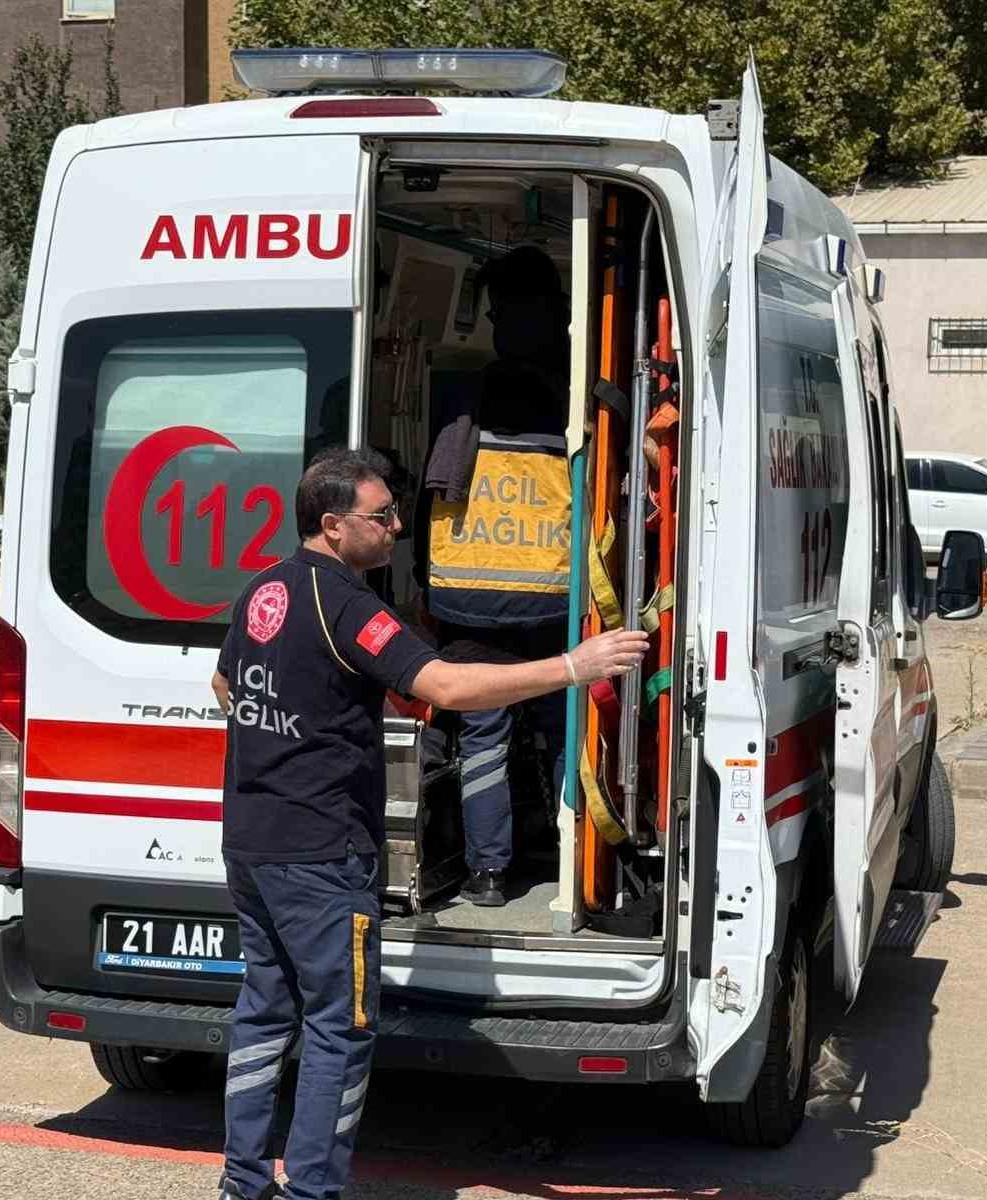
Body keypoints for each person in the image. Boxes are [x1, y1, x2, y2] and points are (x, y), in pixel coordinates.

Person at [212, 447, 645, 1200]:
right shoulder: (348, 605)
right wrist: (574, 667)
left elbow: (225, 683)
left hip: (252, 842)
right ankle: (312, 1191)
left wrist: (303, 726)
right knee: (338, 1034)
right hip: (321, 853)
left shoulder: (265, 589)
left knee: (260, 1017)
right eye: (380, 517)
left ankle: (242, 1183)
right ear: (332, 524)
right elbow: (446, 685)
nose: (395, 528)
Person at [418, 245, 574, 907]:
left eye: (499, 310)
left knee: (484, 735)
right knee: (567, 724)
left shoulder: (470, 394)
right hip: (551, 597)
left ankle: (486, 875)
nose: (496, 323)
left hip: (468, 597)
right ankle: (573, 859)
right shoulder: (580, 387)